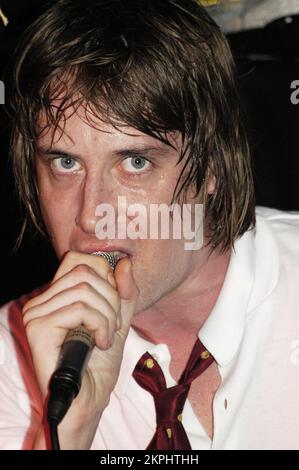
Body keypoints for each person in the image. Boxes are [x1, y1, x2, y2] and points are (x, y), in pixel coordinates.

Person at [0, 0, 299, 450]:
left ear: (213, 163)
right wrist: (68, 433)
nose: (90, 213)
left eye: (135, 162)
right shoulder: (13, 354)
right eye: (65, 162)